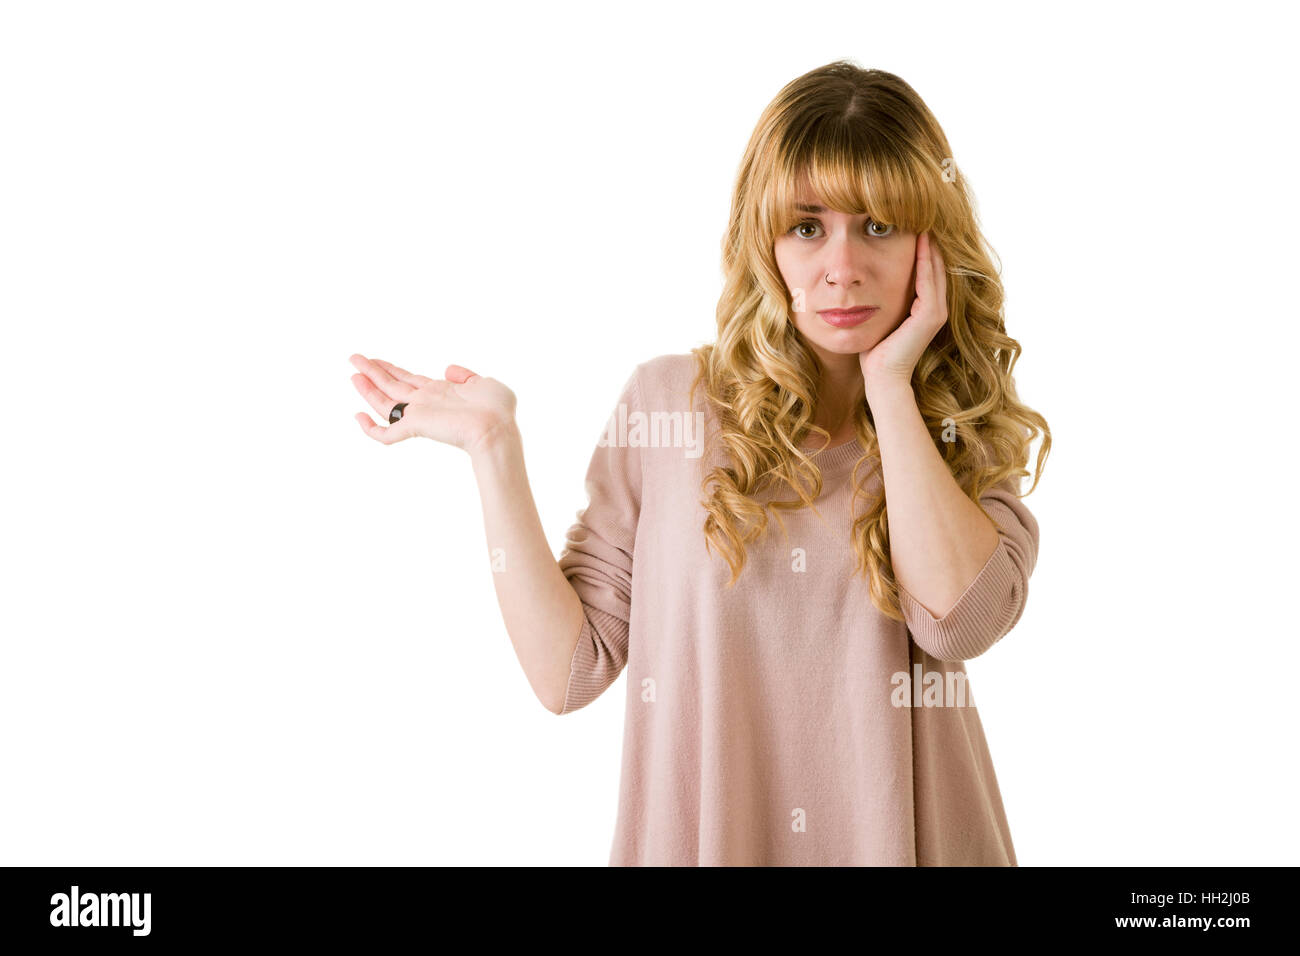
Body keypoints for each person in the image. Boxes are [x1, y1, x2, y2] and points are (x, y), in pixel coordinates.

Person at [348, 60, 1051, 866]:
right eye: (808, 226)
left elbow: (961, 622)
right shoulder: (668, 406)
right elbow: (569, 672)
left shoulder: (959, 426)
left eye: (880, 225)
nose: (844, 267)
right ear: (766, 239)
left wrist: (889, 385)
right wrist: (493, 450)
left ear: (931, 242)